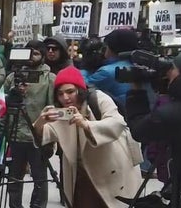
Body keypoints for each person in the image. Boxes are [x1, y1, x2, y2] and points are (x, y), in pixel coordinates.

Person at [34, 66, 142, 207]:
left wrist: (86, 124)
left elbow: (117, 122)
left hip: (111, 170)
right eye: (60, 94)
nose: (65, 98)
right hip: (81, 177)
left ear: (80, 90)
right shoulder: (63, 113)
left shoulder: (98, 98)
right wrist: (40, 123)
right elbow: (44, 135)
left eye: (70, 91)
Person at [126, 50, 181, 207]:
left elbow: (139, 131)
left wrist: (136, 92)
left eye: (171, 69)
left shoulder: (174, 113)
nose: (167, 75)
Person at [1, 40, 55, 208]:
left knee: (40, 178)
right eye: (28, 53)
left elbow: (52, 110)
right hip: (15, 134)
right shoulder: (12, 78)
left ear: (43, 56)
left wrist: (51, 137)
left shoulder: (49, 78)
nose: (32, 57)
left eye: (36, 53)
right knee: (14, 177)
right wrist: (12, 95)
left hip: (37, 136)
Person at [83, 29, 137, 106]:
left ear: (111, 48)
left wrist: (84, 68)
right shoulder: (139, 65)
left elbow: (82, 87)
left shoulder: (107, 72)